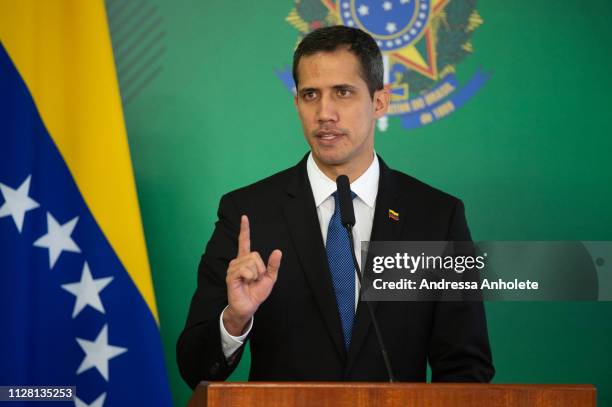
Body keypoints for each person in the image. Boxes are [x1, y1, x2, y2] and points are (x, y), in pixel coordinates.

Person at [177, 25, 494, 388]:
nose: (325, 113)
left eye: (342, 92)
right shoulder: (248, 214)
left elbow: (466, 368)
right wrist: (234, 320)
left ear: (379, 101)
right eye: (310, 94)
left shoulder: (437, 217)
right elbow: (194, 368)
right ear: (297, 103)